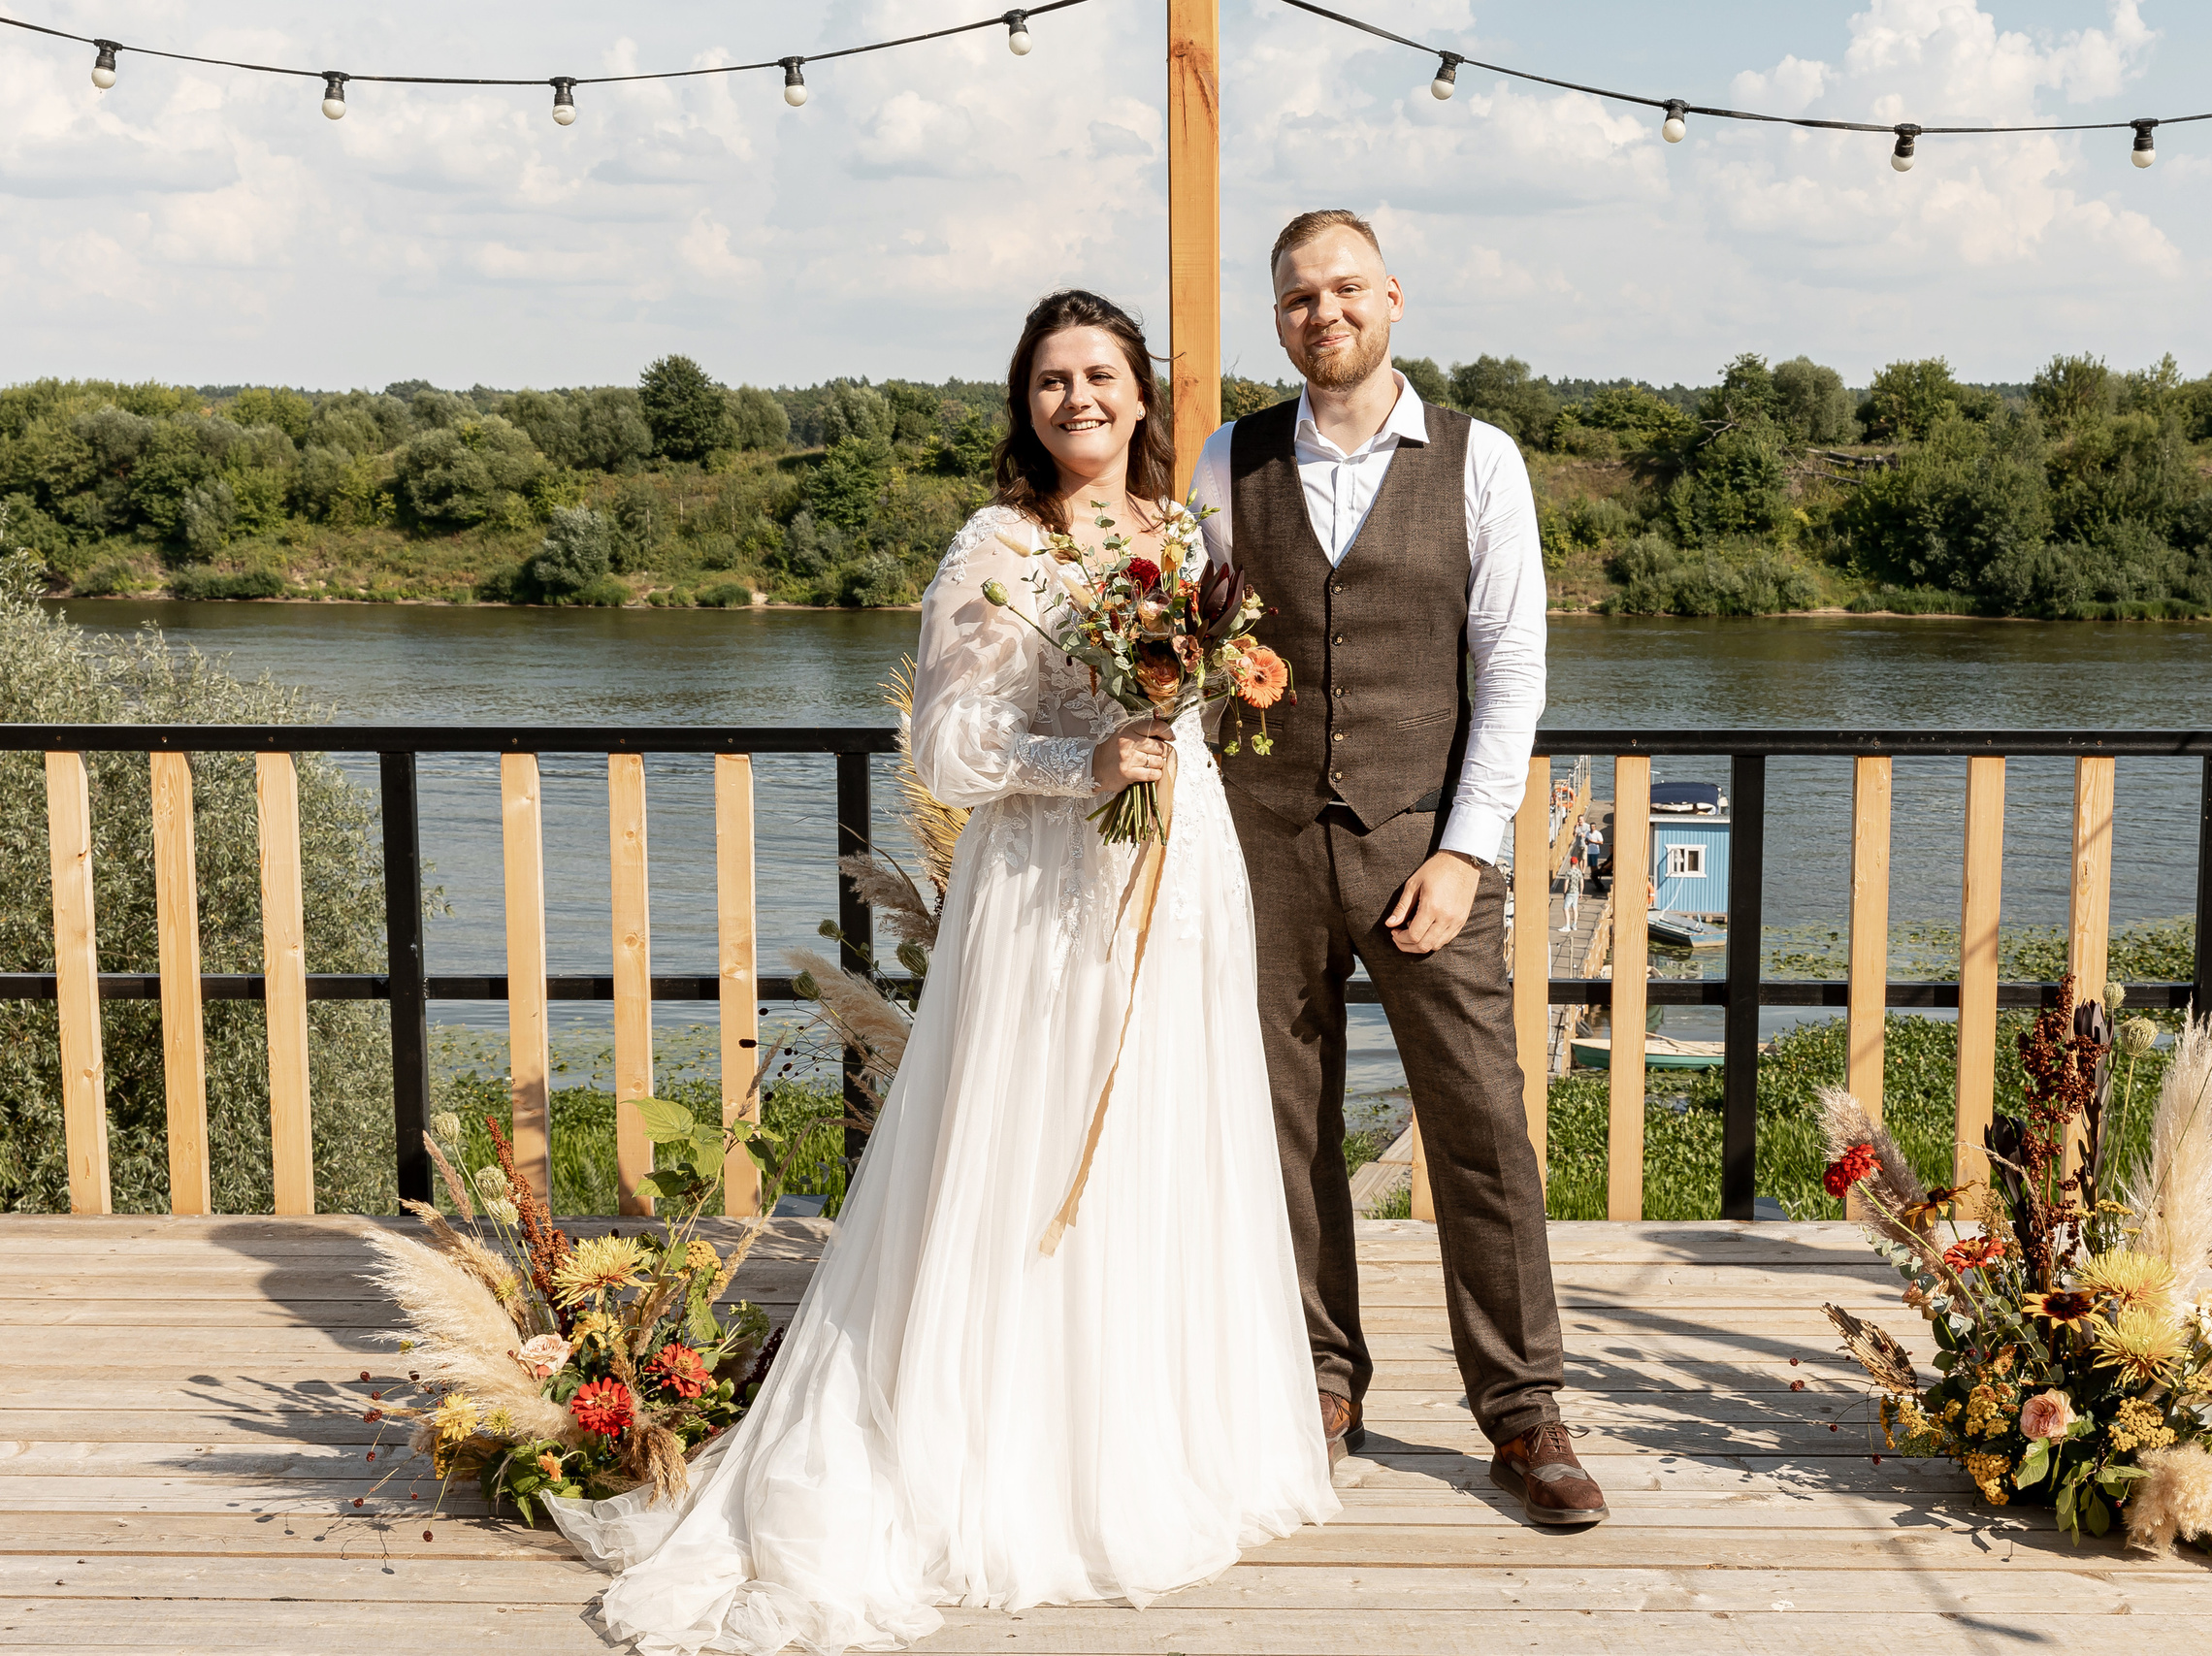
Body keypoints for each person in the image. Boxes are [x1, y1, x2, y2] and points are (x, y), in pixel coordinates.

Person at [551, 290, 1338, 1652]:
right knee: (1032, 1152)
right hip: (1044, 884)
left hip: (1179, 872)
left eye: (1100, 375)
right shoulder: (997, 544)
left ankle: (1153, 1443)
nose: (1077, 399)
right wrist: (1078, 763)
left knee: (1165, 1141)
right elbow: (945, 748)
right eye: (1050, 381)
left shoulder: (1186, 536)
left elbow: (1206, 692)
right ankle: (1016, 1462)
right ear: (1023, 406)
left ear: (1144, 395)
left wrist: (1198, 708)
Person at [1190, 209, 1609, 1528]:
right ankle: (1319, 1378)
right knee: (1283, 1125)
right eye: (1302, 296)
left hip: (1420, 847)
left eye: (1349, 289)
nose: (1328, 312)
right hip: (1255, 843)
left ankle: (1522, 1409)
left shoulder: (1483, 463)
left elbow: (1515, 670)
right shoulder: (1224, 459)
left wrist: (1469, 851)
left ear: (1394, 300)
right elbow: (1183, 643)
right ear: (1279, 320)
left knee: (1481, 1122)